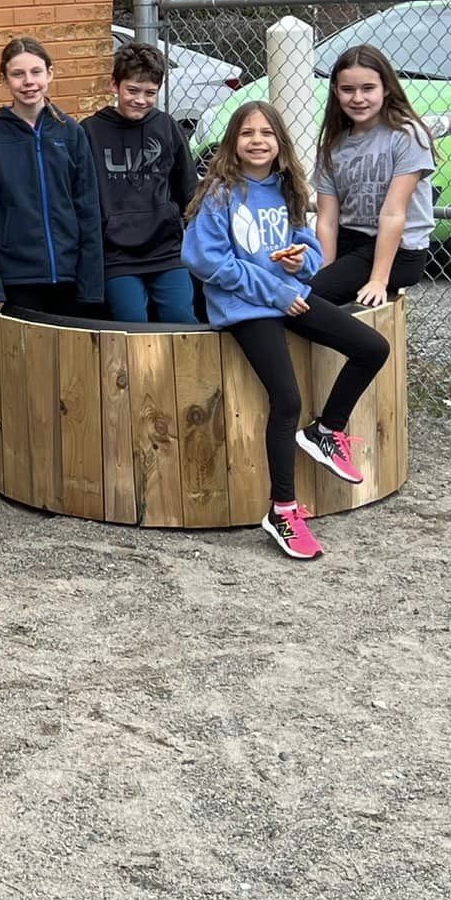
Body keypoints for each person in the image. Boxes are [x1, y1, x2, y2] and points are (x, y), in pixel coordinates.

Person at [182, 102, 390, 561]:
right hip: (247, 308)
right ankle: (282, 510)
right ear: (232, 142)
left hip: (286, 296)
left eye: (267, 134)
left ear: (280, 143)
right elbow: (205, 260)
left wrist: (301, 261)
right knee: (287, 399)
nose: (257, 141)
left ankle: (327, 430)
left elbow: (312, 252)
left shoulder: (287, 188)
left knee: (372, 347)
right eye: (247, 133)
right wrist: (275, 291)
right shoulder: (219, 194)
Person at [0, 36, 105, 316]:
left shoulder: (71, 132)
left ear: (50, 74)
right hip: (17, 280)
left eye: (36, 72)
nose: (28, 81)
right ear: (4, 79)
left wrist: (91, 283)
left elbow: (88, 210)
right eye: (18, 74)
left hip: (70, 277)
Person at [312, 43, 437, 308]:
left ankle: (369, 350)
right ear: (336, 91)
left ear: (387, 88)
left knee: (307, 300)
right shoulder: (332, 146)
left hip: (399, 250)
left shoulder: (407, 136)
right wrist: (324, 272)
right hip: (350, 242)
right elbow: (328, 219)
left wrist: (379, 280)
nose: (358, 98)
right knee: (302, 291)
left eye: (368, 88)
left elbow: (393, 213)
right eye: (348, 89)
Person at [82, 40, 198, 323]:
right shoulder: (89, 132)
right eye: (132, 90)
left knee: (181, 316)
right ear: (114, 85)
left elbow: (188, 189)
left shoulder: (167, 127)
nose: (140, 100)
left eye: (150, 93)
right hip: (117, 255)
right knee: (131, 318)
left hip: (165, 250)